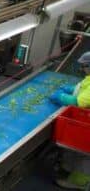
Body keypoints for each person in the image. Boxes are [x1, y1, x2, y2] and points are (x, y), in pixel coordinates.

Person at [49, 51, 90, 189]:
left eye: (84, 66)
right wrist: (71, 89)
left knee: (85, 155)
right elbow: (84, 87)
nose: (82, 69)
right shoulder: (89, 78)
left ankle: (78, 182)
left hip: (87, 123)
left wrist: (61, 97)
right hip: (84, 120)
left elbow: (79, 102)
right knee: (74, 148)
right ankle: (67, 169)